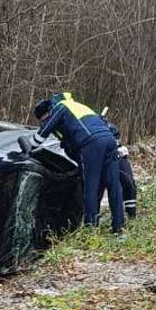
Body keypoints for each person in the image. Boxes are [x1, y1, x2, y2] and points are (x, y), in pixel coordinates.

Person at [33, 92, 125, 232]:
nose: (43, 122)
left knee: (90, 187)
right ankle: (119, 227)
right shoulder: (76, 106)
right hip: (109, 139)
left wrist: (29, 147)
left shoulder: (60, 108)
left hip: (91, 143)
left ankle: (90, 229)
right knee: (114, 184)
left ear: (46, 113)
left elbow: (42, 134)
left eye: (42, 119)